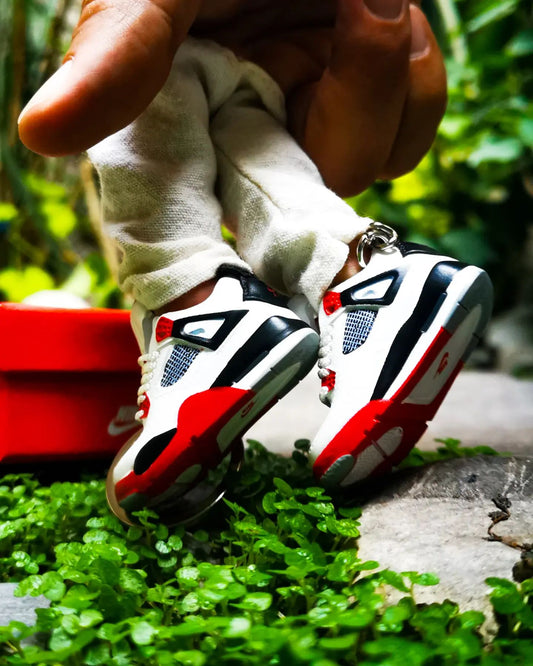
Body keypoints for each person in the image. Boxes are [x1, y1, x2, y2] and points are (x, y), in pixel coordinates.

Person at [19, 0, 493, 524]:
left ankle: (199, 313)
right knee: (243, 134)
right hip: (243, 44)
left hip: (192, 32)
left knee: (128, 96)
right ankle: (367, 275)